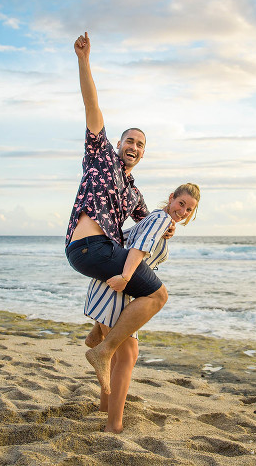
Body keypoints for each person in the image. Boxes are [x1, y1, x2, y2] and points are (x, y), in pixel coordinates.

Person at [65, 31, 174, 396]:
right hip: (89, 246)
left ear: (143, 154)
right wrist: (84, 60)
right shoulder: (100, 155)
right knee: (157, 297)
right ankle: (102, 350)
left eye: (140, 145)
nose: (134, 147)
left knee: (136, 288)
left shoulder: (134, 192)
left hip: (93, 253)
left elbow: (149, 224)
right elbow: (91, 103)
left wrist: (169, 227)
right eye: (130, 140)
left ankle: (97, 334)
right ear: (119, 143)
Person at [84, 183, 200, 433]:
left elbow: (120, 240)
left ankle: (106, 410)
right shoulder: (159, 219)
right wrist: (125, 278)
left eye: (189, 210)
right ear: (171, 198)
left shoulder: (157, 220)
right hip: (117, 288)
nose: (183, 212)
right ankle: (113, 425)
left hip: (112, 288)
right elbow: (136, 250)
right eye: (181, 204)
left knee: (117, 356)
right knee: (127, 355)